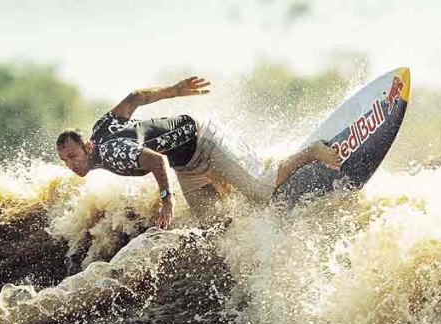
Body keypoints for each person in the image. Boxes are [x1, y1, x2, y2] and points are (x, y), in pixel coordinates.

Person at [57, 76, 341, 229]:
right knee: (213, 227)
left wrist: (167, 200)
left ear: (88, 146)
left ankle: (310, 153)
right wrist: (174, 90)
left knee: (260, 191)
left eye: (73, 156)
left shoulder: (111, 152)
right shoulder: (102, 127)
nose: (71, 164)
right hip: (187, 165)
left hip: (204, 140)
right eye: (65, 160)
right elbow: (134, 99)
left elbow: (155, 161)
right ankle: (228, 181)